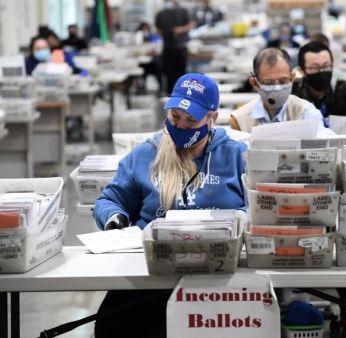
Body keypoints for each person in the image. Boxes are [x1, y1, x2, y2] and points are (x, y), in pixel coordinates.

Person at [92, 73, 247, 337]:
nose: (182, 126)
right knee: (111, 327)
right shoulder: (146, 154)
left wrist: (244, 220)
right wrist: (115, 218)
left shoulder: (235, 155)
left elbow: (257, 206)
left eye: (192, 120)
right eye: (175, 117)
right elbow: (109, 200)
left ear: (212, 117)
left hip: (219, 276)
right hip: (152, 275)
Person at [229, 47, 329, 133]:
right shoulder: (239, 120)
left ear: (292, 79)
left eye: (283, 81)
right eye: (268, 82)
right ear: (255, 83)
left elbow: (325, 140)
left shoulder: (305, 112)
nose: (277, 87)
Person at [292, 41, 346, 119]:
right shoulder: (294, 92)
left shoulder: (341, 89)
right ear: (301, 70)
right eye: (314, 67)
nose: (321, 71)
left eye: (326, 66)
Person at [155, 0, 193, 93]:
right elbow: (158, 30)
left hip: (180, 48)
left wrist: (180, 30)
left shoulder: (183, 12)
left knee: (182, 76)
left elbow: (189, 25)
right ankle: (169, 96)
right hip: (167, 48)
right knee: (168, 75)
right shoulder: (161, 14)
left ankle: (183, 95)